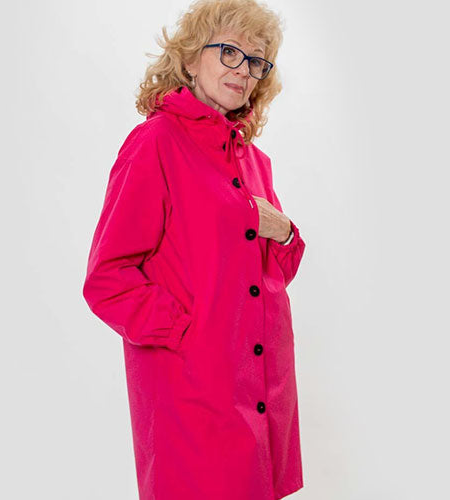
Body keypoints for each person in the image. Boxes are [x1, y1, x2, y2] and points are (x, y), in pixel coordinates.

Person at [82, 0, 306, 498]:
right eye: (229, 52)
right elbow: (107, 280)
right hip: (192, 395)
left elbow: (268, 275)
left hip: (262, 388)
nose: (242, 70)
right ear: (188, 59)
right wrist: (187, 334)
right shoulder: (155, 143)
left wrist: (285, 232)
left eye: (255, 60)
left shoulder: (253, 160)